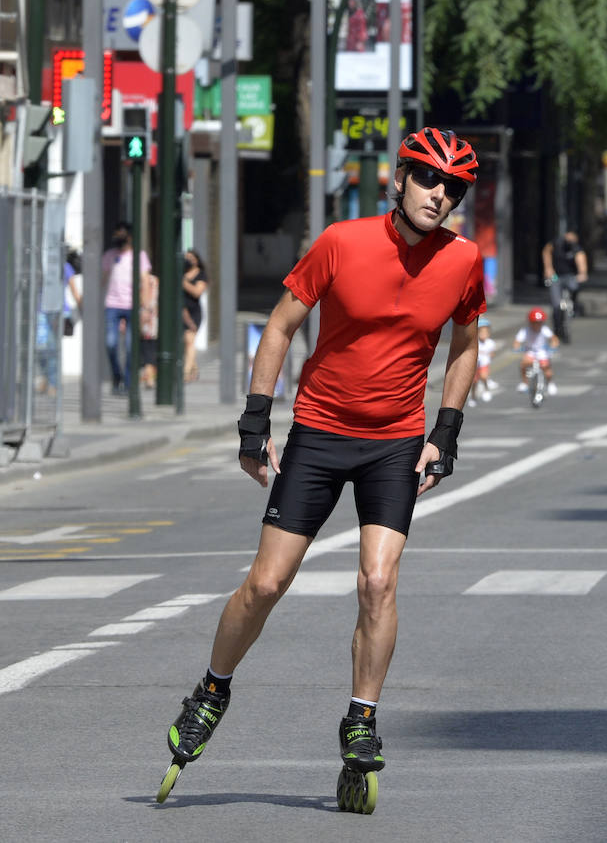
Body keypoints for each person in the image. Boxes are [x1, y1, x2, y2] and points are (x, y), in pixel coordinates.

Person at [159, 129, 484, 809]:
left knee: (378, 581)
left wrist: (445, 433)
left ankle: (361, 718)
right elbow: (279, 325)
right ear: (400, 179)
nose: (439, 195)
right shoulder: (342, 242)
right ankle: (212, 688)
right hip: (320, 431)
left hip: (395, 441)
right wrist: (255, 422)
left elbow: (464, 344)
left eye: (453, 187)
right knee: (267, 582)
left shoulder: (463, 260)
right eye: (428, 178)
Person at [100, 221, 151, 395]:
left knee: (130, 347)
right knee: (110, 343)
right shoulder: (109, 255)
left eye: (122, 234)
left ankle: (128, 383)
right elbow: (102, 279)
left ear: (130, 237)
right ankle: (117, 376)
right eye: (116, 234)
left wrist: (145, 308)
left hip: (132, 306)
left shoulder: (139, 256)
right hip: (112, 305)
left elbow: (145, 281)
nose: (118, 237)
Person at [542, 228, 587, 339]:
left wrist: (582, 273)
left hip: (570, 276)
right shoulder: (556, 243)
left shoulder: (576, 248)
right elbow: (546, 251)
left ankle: (573, 306)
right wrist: (548, 268)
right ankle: (557, 327)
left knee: (574, 287)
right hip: (556, 276)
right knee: (556, 303)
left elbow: (581, 260)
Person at [513, 308, 559, 395]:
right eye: (535, 323)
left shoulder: (545, 330)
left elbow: (554, 339)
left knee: (546, 367)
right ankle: (524, 383)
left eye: (539, 323)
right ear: (530, 322)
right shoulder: (525, 331)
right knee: (523, 364)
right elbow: (517, 341)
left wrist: (553, 347)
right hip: (530, 352)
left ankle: (550, 383)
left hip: (542, 352)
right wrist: (517, 348)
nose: (537, 325)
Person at [181, 250, 209, 383]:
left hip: (194, 312)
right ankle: (194, 370)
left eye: (191, 258)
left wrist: (183, 283)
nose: (188, 261)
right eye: (186, 258)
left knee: (189, 341)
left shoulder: (201, 275)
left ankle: (186, 373)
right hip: (181, 311)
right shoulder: (182, 272)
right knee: (185, 343)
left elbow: (197, 292)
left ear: (197, 260)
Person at [138, 271, 159, 389]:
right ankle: (149, 375)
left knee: (147, 347)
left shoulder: (149, 280)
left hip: (148, 318)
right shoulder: (154, 280)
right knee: (148, 346)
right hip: (152, 318)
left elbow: (144, 299)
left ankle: (149, 377)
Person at [473, 316, 497, 403]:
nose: (483, 334)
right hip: (475, 365)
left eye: (486, 332)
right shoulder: (475, 342)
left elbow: (492, 354)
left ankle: (486, 390)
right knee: (474, 382)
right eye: (481, 332)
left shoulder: (490, 343)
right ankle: (473, 397)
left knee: (484, 377)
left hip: (484, 364)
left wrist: (488, 355)